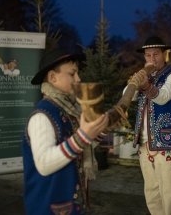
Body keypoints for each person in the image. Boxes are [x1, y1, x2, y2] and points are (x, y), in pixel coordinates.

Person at [22, 47, 109, 215]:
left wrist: (98, 130)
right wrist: (83, 137)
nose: (78, 78)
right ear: (53, 77)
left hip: (71, 202)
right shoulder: (42, 116)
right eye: (72, 74)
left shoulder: (70, 110)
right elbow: (44, 164)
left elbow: (75, 141)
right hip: (48, 206)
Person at [128, 36, 171, 215]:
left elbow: (163, 97)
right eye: (148, 55)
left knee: (169, 194)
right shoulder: (144, 75)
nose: (151, 59)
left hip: (167, 143)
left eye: (156, 54)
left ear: (164, 54)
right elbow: (127, 95)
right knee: (151, 192)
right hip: (145, 144)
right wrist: (138, 80)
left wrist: (145, 85)